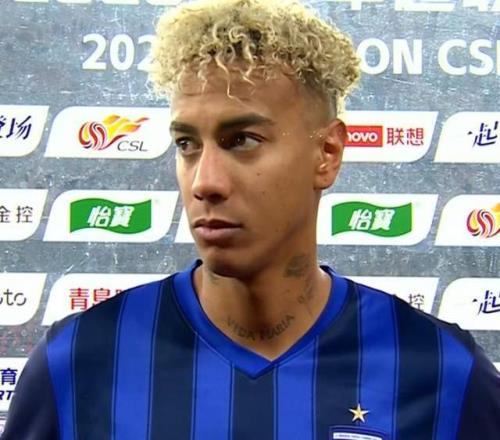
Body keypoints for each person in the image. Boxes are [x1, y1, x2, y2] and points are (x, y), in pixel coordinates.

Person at [3, 0, 499, 439]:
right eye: (187, 144)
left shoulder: (442, 371)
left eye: (241, 140)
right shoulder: (79, 363)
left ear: (327, 153)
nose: (205, 182)